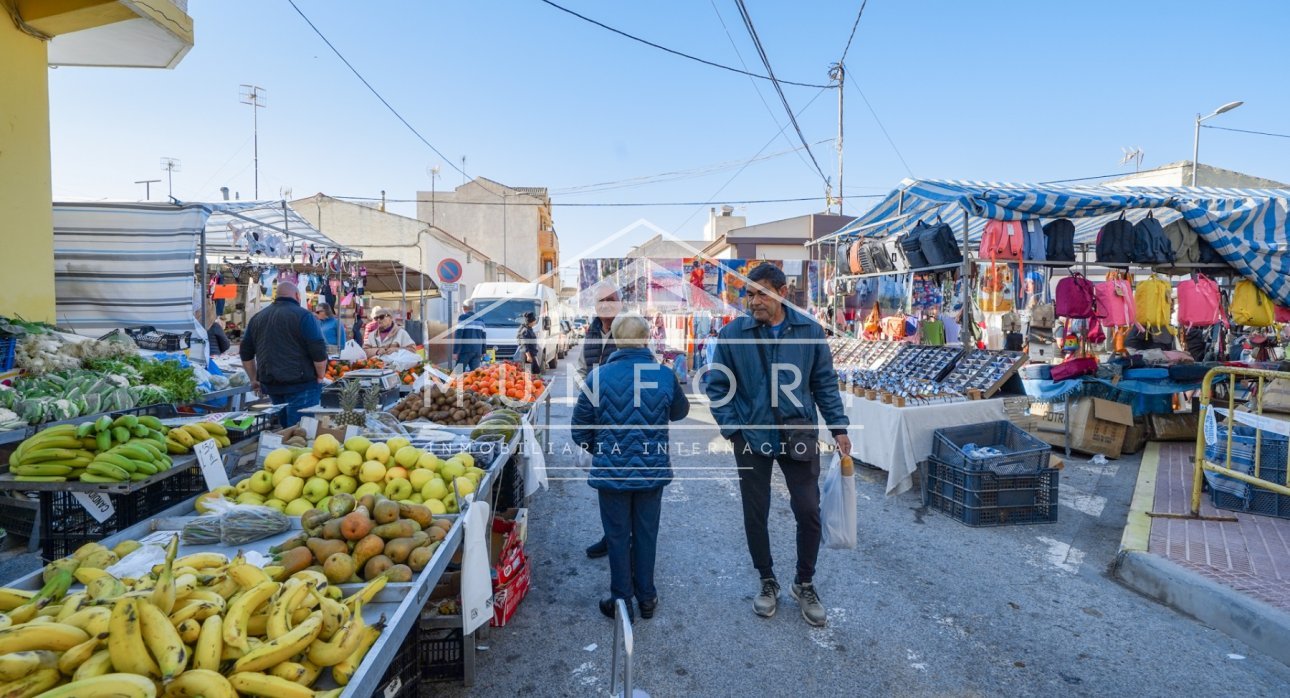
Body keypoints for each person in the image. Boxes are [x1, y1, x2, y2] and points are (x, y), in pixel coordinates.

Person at [704, 263, 851, 628]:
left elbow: (824, 385)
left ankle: (804, 582)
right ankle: (766, 580)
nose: (753, 301)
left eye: (761, 294)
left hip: (798, 434)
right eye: (749, 294)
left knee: (808, 510)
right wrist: (733, 430)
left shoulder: (809, 332)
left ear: (782, 293)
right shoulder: (732, 335)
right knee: (756, 512)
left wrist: (838, 428)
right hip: (751, 437)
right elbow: (718, 388)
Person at [571, 313, 690, 622]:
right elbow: (679, 412)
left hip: (611, 473)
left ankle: (621, 600)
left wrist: (604, 451)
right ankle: (647, 597)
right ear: (646, 339)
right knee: (647, 533)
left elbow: (579, 429)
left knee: (617, 535)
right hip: (652, 471)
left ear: (617, 340)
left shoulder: (597, 377)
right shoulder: (664, 375)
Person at [239, 281, 327, 427]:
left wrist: (254, 379)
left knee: (285, 429)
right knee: (300, 432)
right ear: (298, 296)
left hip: (272, 384)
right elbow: (318, 351)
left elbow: (245, 352)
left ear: (276, 295)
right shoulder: (304, 316)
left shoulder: (257, 318)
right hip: (301, 384)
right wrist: (320, 375)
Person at [578, 283, 621, 560]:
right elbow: (583, 367)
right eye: (601, 300)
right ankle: (611, 536)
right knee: (605, 480)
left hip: (624, 415)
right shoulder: (592, 331)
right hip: (598, 416)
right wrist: (588, 392)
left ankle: (624, 541)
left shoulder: (630, 329)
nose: (606, 304)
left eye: (611, 299)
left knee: (625, 479)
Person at [452, 302, 486, 372]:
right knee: (475, 374)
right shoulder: (481, 320)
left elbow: (458, 335)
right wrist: (483, 351)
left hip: (465, 350)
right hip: (477, 351)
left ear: (464, 308)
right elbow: (483, 337)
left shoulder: (462, 318)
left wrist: (455, 352)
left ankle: (459, 383)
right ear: (472, 308)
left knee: (458, 372)